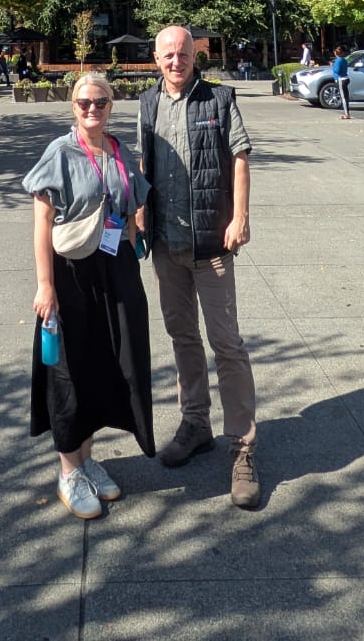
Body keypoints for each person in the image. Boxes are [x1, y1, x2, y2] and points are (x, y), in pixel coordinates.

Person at [139, 25, 260, 510]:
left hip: (212, 240)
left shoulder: (220, 99)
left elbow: (240, 158)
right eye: (168, 54)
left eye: (183, 53)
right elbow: (145, 167)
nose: (175, 60)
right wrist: (140, 219)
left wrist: (241, 218)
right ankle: (195, 423)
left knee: (227, 343)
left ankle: (244, 447)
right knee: (182, 337)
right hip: (167, 244)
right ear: (155, 58)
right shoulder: (148, 104)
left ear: (196, 54)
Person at [23, 72, 155, 520]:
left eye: (99, 102)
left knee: (106, 365)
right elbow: (42, 223)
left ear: (110, 106)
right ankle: (68, 470)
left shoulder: (119, 152)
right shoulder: (60, 153)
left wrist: (136, 238)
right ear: (72, 106)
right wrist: (45, 286)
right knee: (69, 370)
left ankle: (88, 459)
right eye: (83, 102)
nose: (91, 109)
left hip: (114, 271)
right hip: (71, 275)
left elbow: (133, 204)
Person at [331, 44, 351, 118]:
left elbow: (337, 70)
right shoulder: (344, 60)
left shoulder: (338, 60)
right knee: (345, 96)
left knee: (343, 97)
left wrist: (332, 66)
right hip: (345, 78)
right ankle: (346, 113)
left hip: (341, 79)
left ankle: (346, 114)